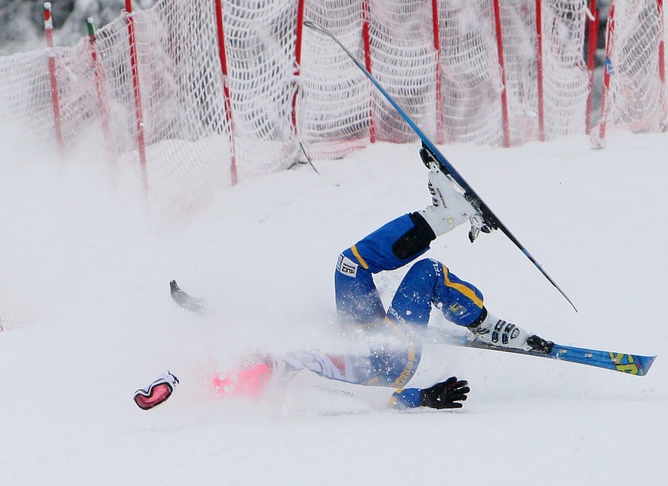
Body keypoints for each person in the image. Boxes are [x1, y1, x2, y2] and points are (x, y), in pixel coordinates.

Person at [134, 146, 552, 411]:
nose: (247, 356)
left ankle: (444, 215)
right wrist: (422, 398)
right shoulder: (293, 383)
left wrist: (206, 309)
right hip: (387, 365)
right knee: (427, 275)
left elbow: (266, 317)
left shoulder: (269, 356)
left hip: (363, 331)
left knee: (348, 265)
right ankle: (487, 325)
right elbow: (364, 398)